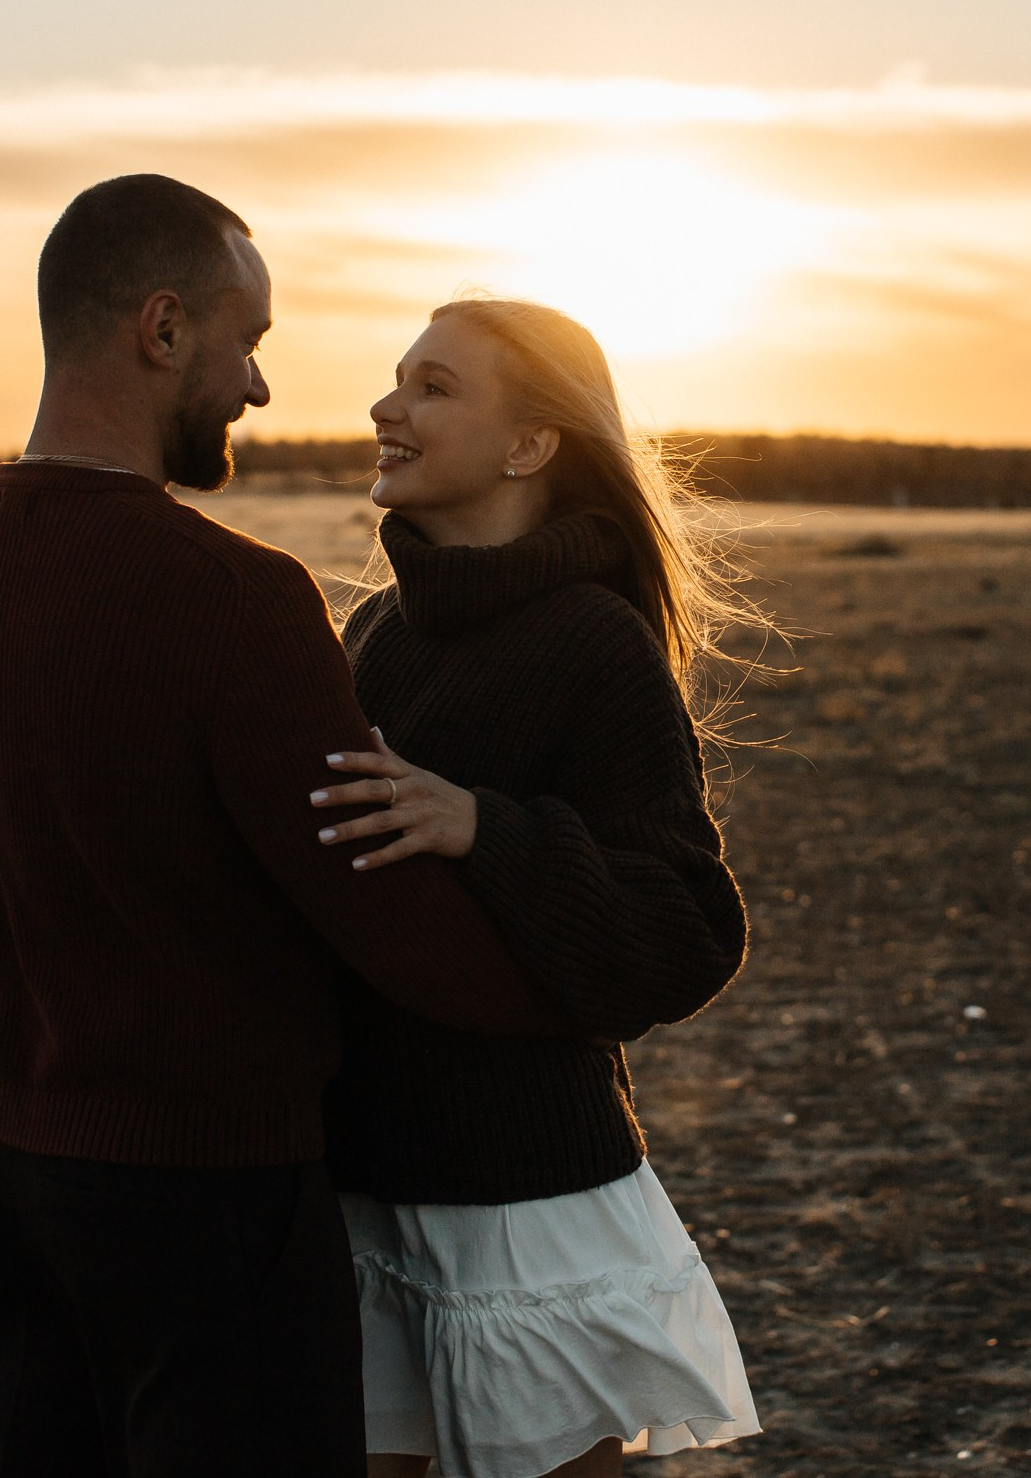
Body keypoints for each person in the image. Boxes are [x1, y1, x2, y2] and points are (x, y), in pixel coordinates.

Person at [0, 177, 573, 1477]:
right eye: (248, 344)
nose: (257, 389)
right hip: (216, 1207)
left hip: (14, 1197)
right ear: (163, 329)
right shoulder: (235, 601)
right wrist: (593, 977)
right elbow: (391, 925)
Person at [305, 298, 762, 1478]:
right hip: (369, 1182)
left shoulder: (592, 643)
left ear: (530, 446)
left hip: (519, 1201)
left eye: (434, 387)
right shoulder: (379, 635)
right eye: (396, 378)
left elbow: (685, 929)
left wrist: (484, 830)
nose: (385, 407)